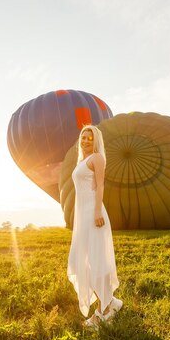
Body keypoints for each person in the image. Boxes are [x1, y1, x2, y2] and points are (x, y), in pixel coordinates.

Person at [67, 125, 122, 329]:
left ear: (96, 140)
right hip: (84, 216)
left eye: (90, 137)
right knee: (82, 261)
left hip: (94, 214)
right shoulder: (82, 161)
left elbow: (100, 185)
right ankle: (112, 302)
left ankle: (105, 310)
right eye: (83, 137)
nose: (86, 140)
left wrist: (97, 211)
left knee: (97, 260)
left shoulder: (97, 158)